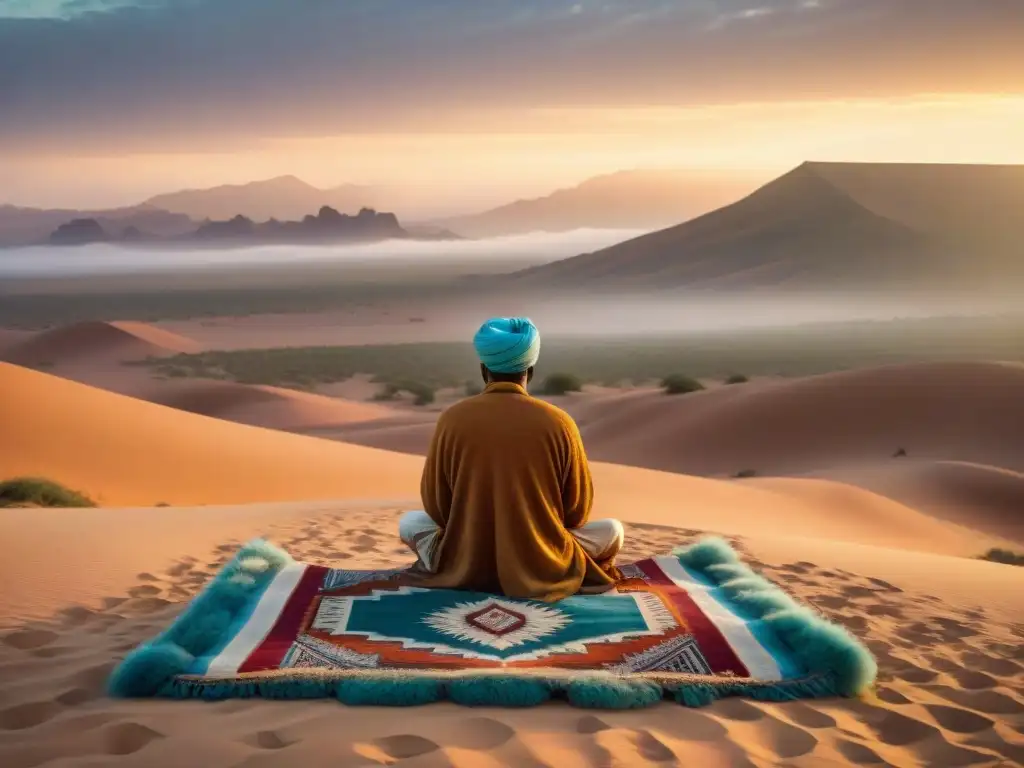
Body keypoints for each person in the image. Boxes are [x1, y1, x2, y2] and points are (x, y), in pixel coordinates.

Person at [398, 317, 624, 602]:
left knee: (409, 523)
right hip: (544, 559)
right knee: (613, 530)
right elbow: (578, 510)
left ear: (483, 369)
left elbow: (436, 506)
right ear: (530, 370)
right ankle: (557, 570)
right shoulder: (560, 423)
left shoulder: (451, 419)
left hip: (464, 556)